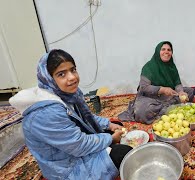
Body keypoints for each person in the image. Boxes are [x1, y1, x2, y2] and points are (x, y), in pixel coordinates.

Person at [9, 49, 132, 180]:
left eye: (73, 70)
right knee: (123, 153)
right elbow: (79, 145)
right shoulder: (46, 113)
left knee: (115, 126)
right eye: (61, 74)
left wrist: (109, 124)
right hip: (67, 168)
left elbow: (85, 117)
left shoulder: (66, 93)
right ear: (49, 78)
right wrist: (111, 139)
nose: (72, 77)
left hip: (71, 145)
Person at [118, 41, 194, 124]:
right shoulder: (149, 67)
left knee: (190, 92)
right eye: (163, 49)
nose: (166, 52)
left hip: (169, 95)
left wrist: (181, 92)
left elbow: (177, 82)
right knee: (142, 111)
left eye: (169, 50)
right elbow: (144, 87)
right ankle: (169, 109)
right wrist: (162, 89)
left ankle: (166, 109)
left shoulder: (171, 66)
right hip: (151, 97)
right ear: (158, 51)